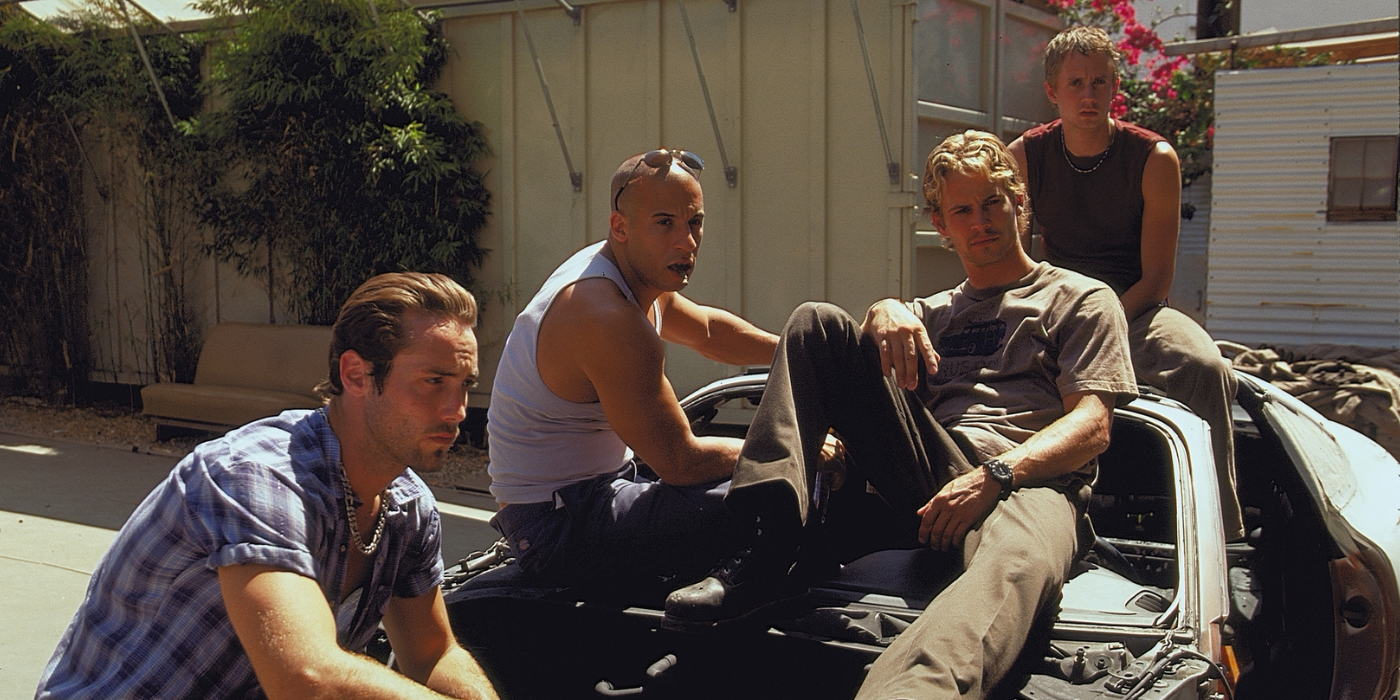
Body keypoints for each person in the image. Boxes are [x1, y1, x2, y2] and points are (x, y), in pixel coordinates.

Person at [664, 131, 1138, 699]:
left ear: (1020, 205)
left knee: (1012, 568)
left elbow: (1093, 424)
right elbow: (860, 378)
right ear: (941, 225)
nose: (980, 220)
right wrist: (881, 308)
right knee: (817, 321)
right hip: (933, 476)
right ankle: (767, 549)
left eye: (993, 202)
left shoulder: (1080, 298)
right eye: (962, 209)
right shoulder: (923, 315)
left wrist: (998, 474)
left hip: (1031, 484)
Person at [37, 273, 498, 700]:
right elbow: (305, 677)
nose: (456, 409)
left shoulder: (408, 507)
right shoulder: (261, 476)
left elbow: (432, 654)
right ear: (356, 374)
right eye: (433, 381)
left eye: (464, 385)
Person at [486, 149, 779, 585]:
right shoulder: (604, 314)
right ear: (620, 227)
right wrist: (789, 451)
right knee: (775, 497)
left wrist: (795, 349)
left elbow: (709, 333)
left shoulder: (636, 271)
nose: (687, 242)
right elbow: (680, 461)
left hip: (597, 492)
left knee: (770, 483)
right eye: (665, 223)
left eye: (694, 222)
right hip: (555, 525)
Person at [1007, 25, 1243, 540]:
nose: (1087, 95)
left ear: (1116, 88)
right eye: (1075, 84)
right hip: (1057, 309)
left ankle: (1222, 532)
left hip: (1136, 309)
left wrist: (1104, 322)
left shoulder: (1153, 159)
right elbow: (1011, 255)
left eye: (1099, 82)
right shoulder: (1025, 157)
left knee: (1206, 367)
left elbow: (1157, 279)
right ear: (1052, 92)